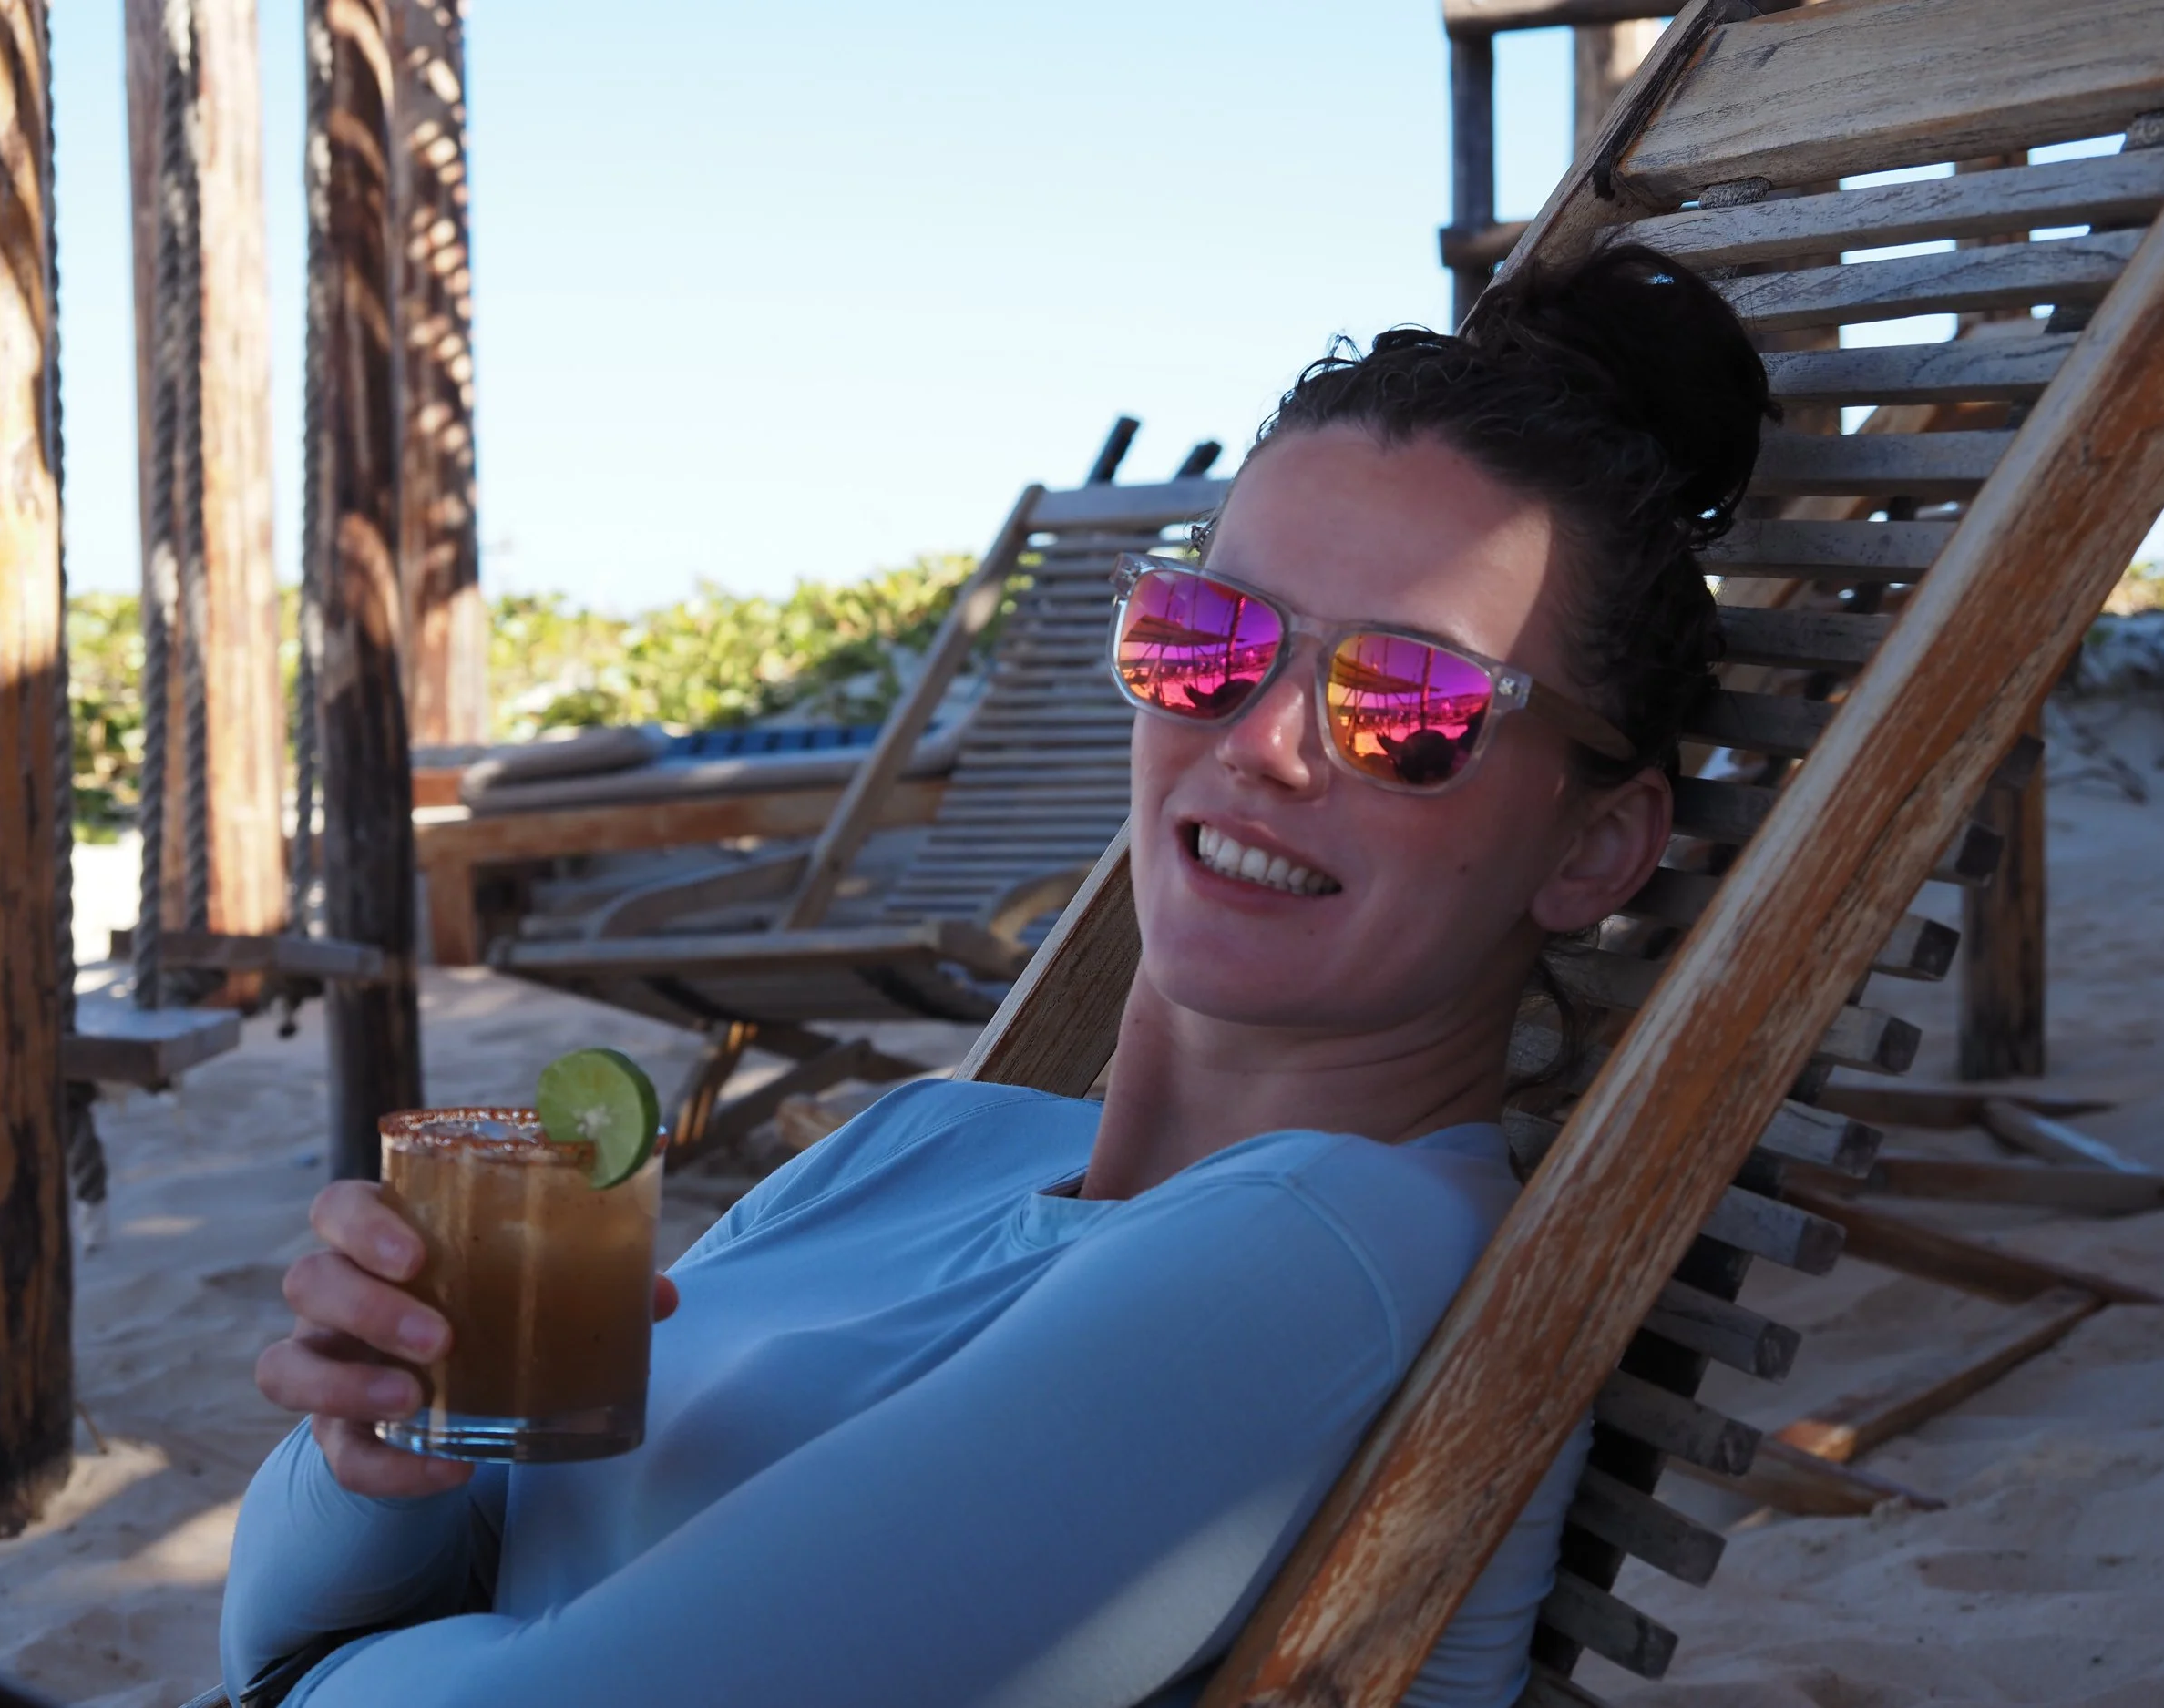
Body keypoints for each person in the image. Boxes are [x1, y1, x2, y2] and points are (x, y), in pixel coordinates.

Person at [222, 243, 1772, 1708]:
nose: (1259, 742)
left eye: (1410, 702)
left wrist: (317, 1666)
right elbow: (308, 1617)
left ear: (1594, 848)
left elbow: (304, 1666)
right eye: (1209, 637)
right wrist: (372, 1448)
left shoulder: (1320, 1257)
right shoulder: (936, 1139)